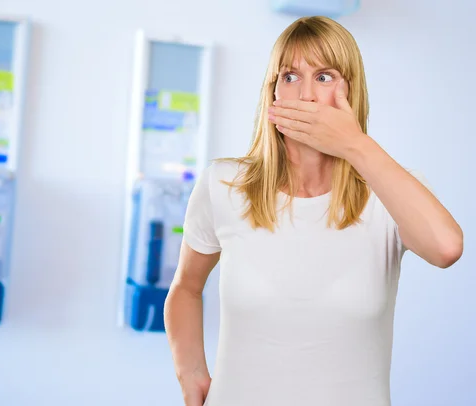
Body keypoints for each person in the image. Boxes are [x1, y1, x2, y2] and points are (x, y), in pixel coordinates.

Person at [164, 15, 464, 406]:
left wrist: (355, 145)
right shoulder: (223, 185)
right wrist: (191, 375)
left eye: (324, 77)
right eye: (289, 76)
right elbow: (186, 288)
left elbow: (446, 249)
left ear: (351, 92)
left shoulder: (390, 191)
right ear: (272, 93)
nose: (305, 95)